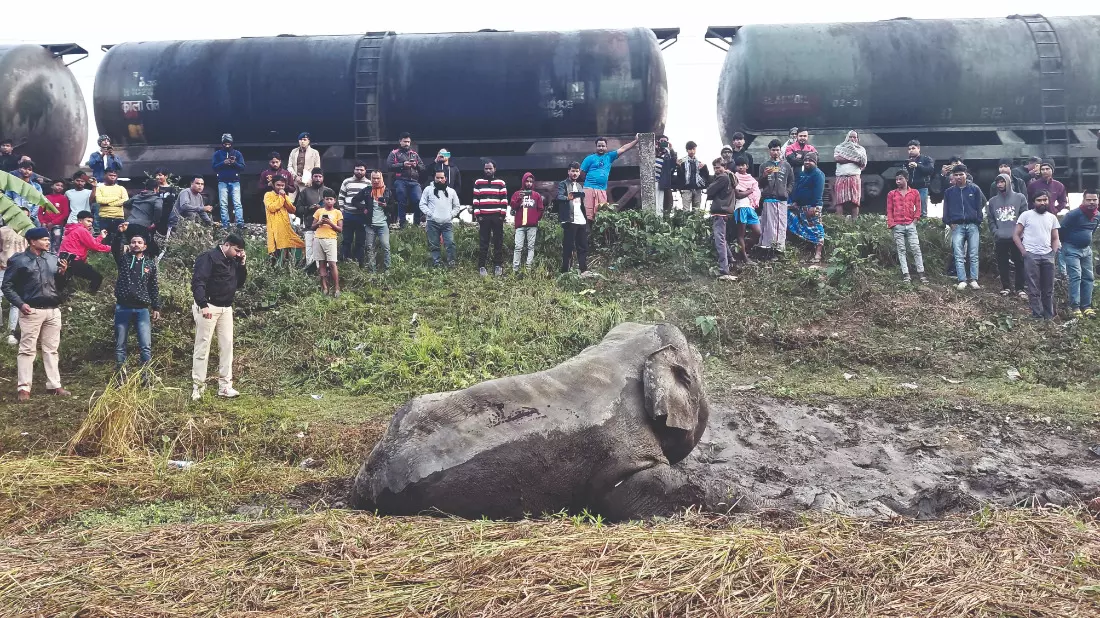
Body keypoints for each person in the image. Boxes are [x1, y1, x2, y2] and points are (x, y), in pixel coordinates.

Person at [2, 227, 71, 400]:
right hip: (31, 310)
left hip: (53, 310)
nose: (48, 241)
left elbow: (60, 286)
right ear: (33, 241)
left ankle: (54, 385)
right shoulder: (19, 261)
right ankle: (24, 388)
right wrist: (20, 303)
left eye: (48, 239)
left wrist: (62, 274)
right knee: (27, 350)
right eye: (44, 239)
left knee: (52, 350)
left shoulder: (53, 259)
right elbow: (7, 286)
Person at [191, 234, 247, 400]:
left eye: (241, 252)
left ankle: (225, 386)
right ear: (227, 245)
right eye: (237, 250)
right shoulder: (208, 257)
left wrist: (242, 264)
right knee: (203, 346)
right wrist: (203, 304)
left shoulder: (234, 261)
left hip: (226, 308)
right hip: (209, 306)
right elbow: (198, 281)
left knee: (227, 346)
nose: (238, 254)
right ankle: (198, 388)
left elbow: (240, 283)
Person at [111, 227, 160, 376]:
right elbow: (115, 248)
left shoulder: (150, 264)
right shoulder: (123, 260)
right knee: (120, 345)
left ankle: (146, 377)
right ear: (129, 245)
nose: (136, 244)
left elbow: (153, 287)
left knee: (145, 346)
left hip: (142, 310)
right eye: (133, 242)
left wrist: (156, 306)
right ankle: (121, 377)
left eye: (139, 242)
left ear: (144, 246)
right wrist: (119, 234)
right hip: (123, 308)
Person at [1014, 191, 1060, 320]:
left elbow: (1055, 238)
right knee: (1033, 288)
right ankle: (1037, 315)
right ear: (1033, 202)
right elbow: (1016, 235)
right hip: (1031, 256)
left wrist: (1053, 252)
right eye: (1039, 200)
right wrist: (1024, 252)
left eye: (1045, 200)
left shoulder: (1052, 217)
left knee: (1048, 288)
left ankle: (1048, 316)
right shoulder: (1026, 215)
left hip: (1047, 256)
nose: (1042, 202)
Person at [943, 164, 987, 290]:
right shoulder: (949, 192)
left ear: (966, 174)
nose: (958, 177)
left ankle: (973, 279)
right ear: (953, 176)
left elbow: (979, 206)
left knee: (973, 254)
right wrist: (949, 222)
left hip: (972, 225)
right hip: (957, 226)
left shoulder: (974, 189)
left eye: (961, 174)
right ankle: (962, 279)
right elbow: (946, 209)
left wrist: (978, 221)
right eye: (956, 175)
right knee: (958, 254)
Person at [986, 173, 1029, 297]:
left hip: (1017, 237)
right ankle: (1006, 287)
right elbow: (990, 219)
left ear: (1008, 182)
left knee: (1019, 262)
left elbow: (1024, 216)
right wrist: (995, 232)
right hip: (1001, 237)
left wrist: (1020, 233)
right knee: (1002, 262)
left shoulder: (1019, 197)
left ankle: (1020, 288)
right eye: (998, 182)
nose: (1000, 184)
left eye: (1002, 182)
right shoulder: (993, 201)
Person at [580, 134, 640, 222]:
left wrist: (636, 141)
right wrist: (590, 181)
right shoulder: (589, 159)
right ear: (596, 147)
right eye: (599, 146)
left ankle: (599, 235)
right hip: (589, 188)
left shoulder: (609, 157)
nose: (601, 148)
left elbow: (623, 148)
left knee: (601, 213)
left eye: (603, 146)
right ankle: (589, 234)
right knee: (589, 214)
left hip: (602, 190)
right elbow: (582, 173)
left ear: (606, 147)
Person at [1059, 188, 1099, 318]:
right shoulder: (1073, 214)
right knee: (1076, 276)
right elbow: (1062, 230)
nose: (1092, 202)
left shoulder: (1097, 215)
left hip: (1086, 250)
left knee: (1089, 277)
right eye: (1089, 200)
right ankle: (1075, 306)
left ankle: (1086, 306)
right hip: (1071, 248)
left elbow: (1091, 231)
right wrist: (1066, 245)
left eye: (1094, 199)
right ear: (1083, 200)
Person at [886, 170, 926, 283]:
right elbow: (889, 210)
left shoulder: (915, 193)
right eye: (896, 179)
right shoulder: (891, 194)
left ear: (906, 179)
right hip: (897, 225)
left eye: (900, 179)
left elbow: (918, 208)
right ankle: (906, 274)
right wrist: (892, 223)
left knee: (916, 248)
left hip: (910, 224)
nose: (898, 181)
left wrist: (915, 220)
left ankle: (921, 273)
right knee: (901, 249)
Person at [757, 139, 795, 259]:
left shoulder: (786, 165)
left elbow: (791, 181)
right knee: (769, 225)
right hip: (768, 199)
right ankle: (768, 250)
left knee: (781, 225)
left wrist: (787, 192)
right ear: (769, 151)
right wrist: (764, 175)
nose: (775, 152)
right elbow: (760, 184)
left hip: (782, 200)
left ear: (780, 150)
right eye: (773, 150)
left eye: (777, 150)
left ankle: (779, 250)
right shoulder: (764, 165)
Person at [352, 169, 395, 272]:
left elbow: (393, 207)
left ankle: (387, 270)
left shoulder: (387, 191)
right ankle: (372, 271)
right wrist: (363, 208)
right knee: (369, 247)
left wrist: (385, 206)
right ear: (371, 179)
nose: (376, 180)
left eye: (378, 178)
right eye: (374, 178)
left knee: (386, 247)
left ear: (381, 178)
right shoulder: (367, 190)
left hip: (383, 224)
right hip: (370, 224)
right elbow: (354, 200)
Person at [787, 151, 826, 263]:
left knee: (817, 228)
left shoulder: (818, 174)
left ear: (815, 162)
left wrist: (814, 206)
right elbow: (798, 188)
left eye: (810, 160)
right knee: (791, 217)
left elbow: (818, 191)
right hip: (801, 205)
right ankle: (806, 250)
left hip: (812, 206)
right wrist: (794, 201)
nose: (807, 162)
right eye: (806, 160)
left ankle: (818, 253)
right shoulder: (802, 174)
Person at [58, 211, 110, 292]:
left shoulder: (74, 229)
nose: (90, 224)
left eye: (91, 222)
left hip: (65, 260)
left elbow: (90, 244)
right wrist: (112, 248)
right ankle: (90, 297)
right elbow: (94, 246)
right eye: (88, 221)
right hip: (74, 260)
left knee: (63, 283)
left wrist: (100, 237)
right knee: (97, 277)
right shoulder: (81, 230)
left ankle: (60, 297)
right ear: (80, 221)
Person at [419, 169, 462, 268]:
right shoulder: (428, 190)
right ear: (434, 178)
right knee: (434, 244)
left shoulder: (451, 191)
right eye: (437, 178)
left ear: (445, 178)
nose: (439, 180)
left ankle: (451, 262)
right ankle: (436, 263)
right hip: (432, 222)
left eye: (442, 178)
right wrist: (430, 214)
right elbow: (422, 204)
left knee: (450, 242)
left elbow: (457, 206)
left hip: (447, 222)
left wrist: (450, 215)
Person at [473, 160, 508, 276]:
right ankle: (482, 266)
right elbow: (475, 201)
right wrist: (478, 216)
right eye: (486, 169)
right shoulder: (478, 183)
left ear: (494, 169)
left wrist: (502, 216)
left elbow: (504, 200)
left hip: (497, 217)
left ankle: (498, 265)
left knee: (498, 241)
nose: (488, 170)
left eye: (490, 168)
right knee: (484, 242)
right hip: (484, 217)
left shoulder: (501, 183)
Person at [0, 207, 30, 345]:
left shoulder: (28, 233)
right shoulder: (2, 231)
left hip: (20, 270)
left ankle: (11, 331)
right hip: (3, 267)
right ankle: (1, 329)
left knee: (15, 302)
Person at [706, 159, 738, 281]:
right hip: (726, 211)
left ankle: (724, 270)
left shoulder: (723, 178)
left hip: (720, 211)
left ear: (724, 167)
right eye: (714, 168)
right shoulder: (730, 177)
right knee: (722, 238)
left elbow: (709, 190)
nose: (716, 170)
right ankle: (731, 259)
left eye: (719, 167)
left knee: (719, 240)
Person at [556, 163, 590, 275]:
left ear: (579, 172)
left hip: (581, 220)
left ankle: (583, 270)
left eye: (577, 171)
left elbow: (582, 204)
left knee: (582, 246)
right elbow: (559, 197)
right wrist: (568, 197)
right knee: (568, 246)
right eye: (573, 171)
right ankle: (565, 271)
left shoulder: (580, 186)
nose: (575, 173)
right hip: (570, 219)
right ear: (568, 172)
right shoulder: (563, 184)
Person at [387, 132, 426, 228]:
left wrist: (415, 165)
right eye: (405, 141)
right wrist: (402, 164)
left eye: (408, 142)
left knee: (418, 200)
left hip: (414, 181)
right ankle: (402, 224)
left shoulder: (414, 154)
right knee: (402, 201)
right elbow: (389, 166)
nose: (407, 144)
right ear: (400, 142)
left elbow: (423, 168)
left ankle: (416, 224)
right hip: (400, 180)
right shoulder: (394, 153)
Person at [263, 178, 305, 266]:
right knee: (278, 249)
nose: (280, 187)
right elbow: (272, 208)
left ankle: (295, 265)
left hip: (285, 226)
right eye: (278, 185)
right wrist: (281, 198)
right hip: (275, 227)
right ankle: (277, 269)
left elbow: (292, 209)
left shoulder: (284, 195)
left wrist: (284, 198)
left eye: (282, 185)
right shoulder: (268, 195)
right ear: (273, 185)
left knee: (299, 244)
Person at [510, 172, 545, 272]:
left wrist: (535, 219)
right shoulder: (517, 194)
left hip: (532, 225)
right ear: (523, 182)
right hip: (520, 225)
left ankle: (528, 269)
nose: (529, 183)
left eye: (531, 182)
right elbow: (513, 206)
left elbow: (541, 209)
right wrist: (519, 199)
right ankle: (515, 270)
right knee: (518, 247)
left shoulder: (536, 195)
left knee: (531, 247)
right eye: (527, 181)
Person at [121, 178, 164, 259]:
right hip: (144, 225)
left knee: (131, 246)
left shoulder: (136, 197)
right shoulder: (156, 199)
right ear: (156, 188)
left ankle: (128, 263)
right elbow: (158, 208)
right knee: (142, 248)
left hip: (130, 224)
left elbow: (125, 204)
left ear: (145, 187)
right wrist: (155, 221)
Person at [311, 189, 344, 295]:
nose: (329, 201)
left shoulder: (337, 212)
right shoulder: (319, 211)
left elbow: (340, 229)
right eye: (327, 199)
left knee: (332, 263)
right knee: (321, 264)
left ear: (335, 200)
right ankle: (325, 288)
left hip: (331, 240)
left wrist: (330, 223)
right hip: (318, 239)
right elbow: (312, 227)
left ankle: (337, 288)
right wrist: (319, 223)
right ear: (323, 200)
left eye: (331, 199)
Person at [338, 162, 371, 264]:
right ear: (353, 170)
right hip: (348, 215)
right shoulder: (346, 182)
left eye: (361, 170)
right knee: (346, 240)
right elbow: (341, 197)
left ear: (365, 171)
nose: (359, 172)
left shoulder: (369, 183)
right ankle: (344, 261)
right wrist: (342, 211)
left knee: (360, 242)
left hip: (362, 216)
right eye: (357, 169)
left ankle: (358, 263)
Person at [730, 157, 761, 265]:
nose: (741, 167)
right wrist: (750, 190)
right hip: (740, 207)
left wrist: (749, 191)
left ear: (747, 166)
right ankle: (745, 258)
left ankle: (743, 250)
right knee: (741, 234)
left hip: (750, 207)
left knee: (758, 232)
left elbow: (756, 192)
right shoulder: (734, 178)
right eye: (738, 165)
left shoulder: (751, 179)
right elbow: (738, 194)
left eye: (743, 165)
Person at [211, 134, 246, 228]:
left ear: (232, 143)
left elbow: (242, 167)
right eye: (225, 144)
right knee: (223, 204)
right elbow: (214, 167)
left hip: (235, 181)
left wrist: (235, 163)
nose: (227, 145)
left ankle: (240, 223)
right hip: (222, 181)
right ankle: (225, 224)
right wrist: (223, 163)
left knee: (237, 203)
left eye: (229, 143)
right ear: (222, 143)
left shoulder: (237, 153)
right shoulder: (217, 154)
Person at [295, 169, 326, 271]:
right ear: (312, 177)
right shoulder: (305, 192)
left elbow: (336, 208)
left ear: (323, 178)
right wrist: (309, 208)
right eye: (315, 176)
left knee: (323, 254)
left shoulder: (328, 191)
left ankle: (323, 277)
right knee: (310, 254)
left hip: (326, 228)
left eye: (320, 177)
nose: (317, 179)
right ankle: (310, 278)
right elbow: (298, 210)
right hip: (309, 227)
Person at [833, 130, 867, 218]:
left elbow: (863, 162)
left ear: (857, 139)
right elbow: (837, 158)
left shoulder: (861, 149)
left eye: (854, 137)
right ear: (847, 138)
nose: (852, 139)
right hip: (841, 176)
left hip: (854, 177)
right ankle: (839, 223)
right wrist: (854, 159)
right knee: (839, 201)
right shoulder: (839, 147)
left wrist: (846, 158)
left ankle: (854, 223)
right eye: (850, 137)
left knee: (855, 201)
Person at [91, 169, 128, 249]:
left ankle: (117, 258)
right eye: (110, 175)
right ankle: (105, 259)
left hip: (119, 218)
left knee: (118, 240)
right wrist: (116, 198)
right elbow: (99, 200)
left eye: (114, 176)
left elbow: (125, 200)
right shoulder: (100, 188)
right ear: (105, 176)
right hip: (104, 217)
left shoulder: (121, 188)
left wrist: (109, 203)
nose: (113, 177)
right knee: (104, 240)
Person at [904, 140, 935, 218]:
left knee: (922, 211)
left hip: (922, 187)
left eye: (913, 148)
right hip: (910, 188)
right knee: (908, 210)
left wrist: (917, 165)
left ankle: (923, 227)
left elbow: (930, 170)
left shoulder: (926, 159)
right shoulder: (907, 162)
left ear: (918, 148)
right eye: (909, 149)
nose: (911, 150)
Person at [676, 141, 710, 212]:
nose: (692, 151)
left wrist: (705, 167)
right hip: (686, 189)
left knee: (696, 212)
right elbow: (680, 176)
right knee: (686, 211)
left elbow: (706, 176)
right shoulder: (682, 162)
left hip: (697, 189)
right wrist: (678, 166)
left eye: (694, 149)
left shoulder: (699, 163)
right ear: (687, 150)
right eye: (690, 149)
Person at [7, 161, 42, 225]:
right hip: (15, 217)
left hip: (32, 219)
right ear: (19, 169)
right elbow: (8, 200)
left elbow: (38, 204)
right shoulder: (12, 185)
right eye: (24, 168)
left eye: (29, 169)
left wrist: (29, 215)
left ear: (32, 172)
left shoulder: (37, 187)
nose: (27, 171)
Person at [41, 180, 70, 253]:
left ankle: (54, 260)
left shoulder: (63, 198)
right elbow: (41, 211)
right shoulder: (46, 197)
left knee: (56, 244)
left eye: (61, 186)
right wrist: (43, 222)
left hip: (57, 225)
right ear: (52, 186)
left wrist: (53, 223)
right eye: (57, 185)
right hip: (45, 225)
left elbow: (65, 213)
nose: (59, 187)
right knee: (44, 242)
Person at [654, 135, 677, 216]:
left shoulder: (667, 154)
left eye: (665, 141)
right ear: (658, 142)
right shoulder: (653, 151)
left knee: (660, 201)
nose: (663, 143)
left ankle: (659, 218)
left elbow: (673, 164)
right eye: (662, 141)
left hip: (661, 181)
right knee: (654, 200)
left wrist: (671, 149)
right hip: (652, 180)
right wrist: (655, 148)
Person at [153, 168, 179, 233]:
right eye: (156, 175)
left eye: (160, 175)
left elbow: (171, 201)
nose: (157, 177)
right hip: (155, 216)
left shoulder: (171, 188)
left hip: (167, 216)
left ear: (166, 176)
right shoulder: (154, 188)